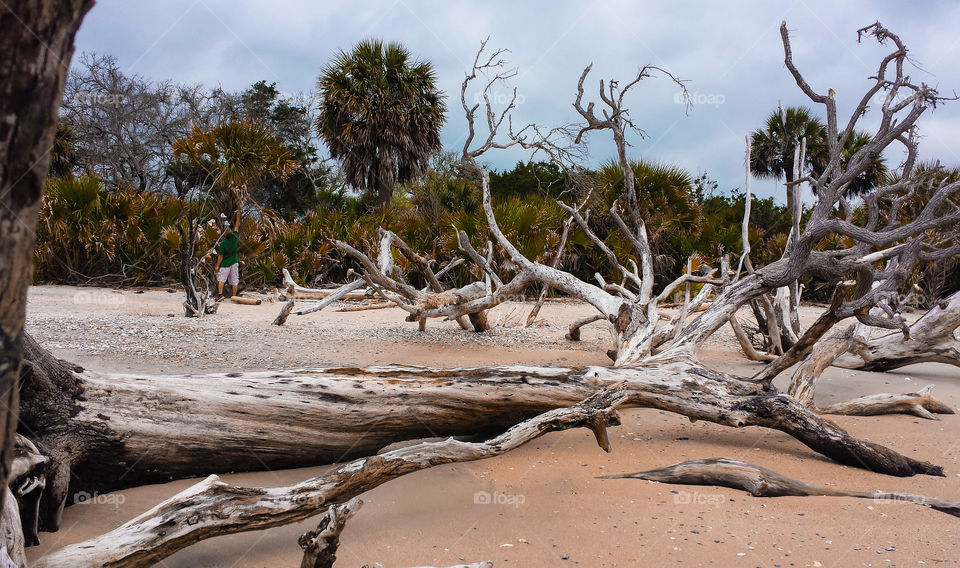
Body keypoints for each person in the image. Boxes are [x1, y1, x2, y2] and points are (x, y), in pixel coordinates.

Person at [215, 210, 241, 300]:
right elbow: (237, 226)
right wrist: (238, 216)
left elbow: (220, 256)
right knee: (234, 280)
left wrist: (217, 266)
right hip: (234, 262)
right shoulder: (234, 238)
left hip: (225, 264)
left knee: (221, 280)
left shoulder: (223, 244)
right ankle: (234, 296)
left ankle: (220, 294)